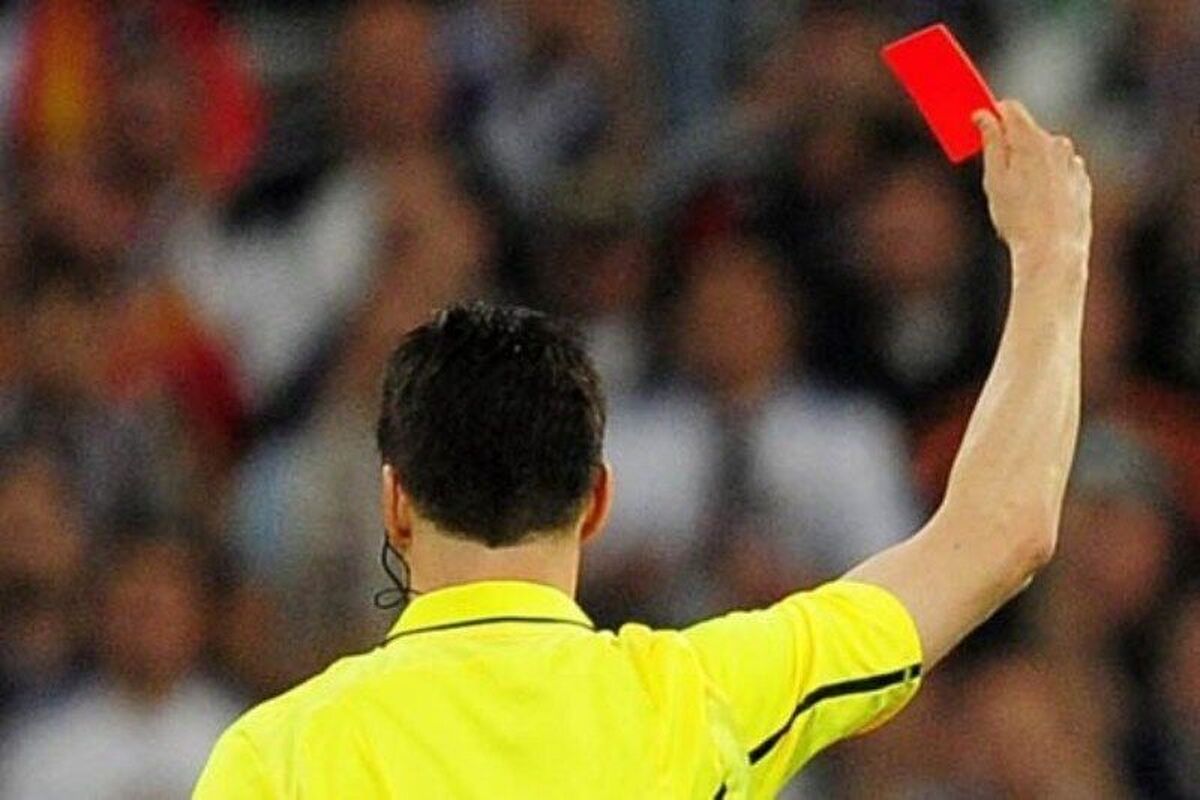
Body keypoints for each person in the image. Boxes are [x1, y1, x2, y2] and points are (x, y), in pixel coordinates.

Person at [194, 100, 1092, 798]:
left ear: (395, 503)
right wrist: (1052, 252)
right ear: (595, 501)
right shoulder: (688, 702)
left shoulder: (277, 755)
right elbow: (1001, 532)